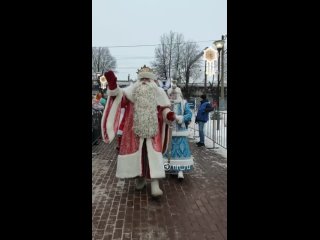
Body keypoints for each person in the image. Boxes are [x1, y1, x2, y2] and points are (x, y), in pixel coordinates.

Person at [101, 65, 176, 197]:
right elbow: (119, 98)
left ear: (152, 80)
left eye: (148, 79)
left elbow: (163, 109)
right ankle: (140, 179)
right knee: (139, 157)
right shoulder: (131, 92)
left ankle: (154, 184)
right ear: (138, 80)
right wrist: (113, 85)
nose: (145, 82)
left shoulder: (158, 92)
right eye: (143, 79)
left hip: (153, 134)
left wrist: (168, 115)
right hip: (133, 133)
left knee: (152, 157)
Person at [163, 81, 194, 179]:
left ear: (179, 94)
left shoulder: (183, 103)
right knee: (169, 151)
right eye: (171, 94)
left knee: (181, 150)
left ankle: (180, 170)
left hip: (180, 131)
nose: (173, 96)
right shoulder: (166, 104)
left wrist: (180, 118)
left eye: (175, 94)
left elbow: (189, 114)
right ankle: (170, 168)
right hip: (168, 131)